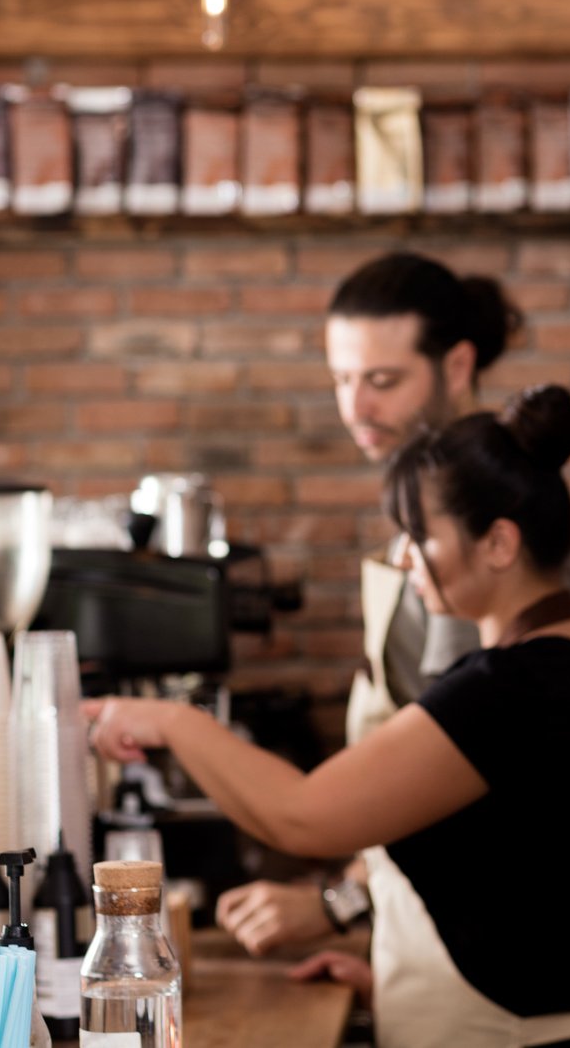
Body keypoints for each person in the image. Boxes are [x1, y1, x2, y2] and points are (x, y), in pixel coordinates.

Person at [86, 385, 570, 1048]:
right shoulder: (561, 668)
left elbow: (301, 816)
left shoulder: (512, 688)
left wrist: (170, 721)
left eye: (419, 533)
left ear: (499, 544)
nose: (403, 556)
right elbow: (512, 884)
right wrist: (395, 983)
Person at [216, 252, 519, 955]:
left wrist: (340, 900)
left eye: (382, 381)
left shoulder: (474, 530)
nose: (355, 407)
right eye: (342, 380)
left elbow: (453, 774)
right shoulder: (423, 513)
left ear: (456, 366)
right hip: (425, 938)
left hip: (486, 951)